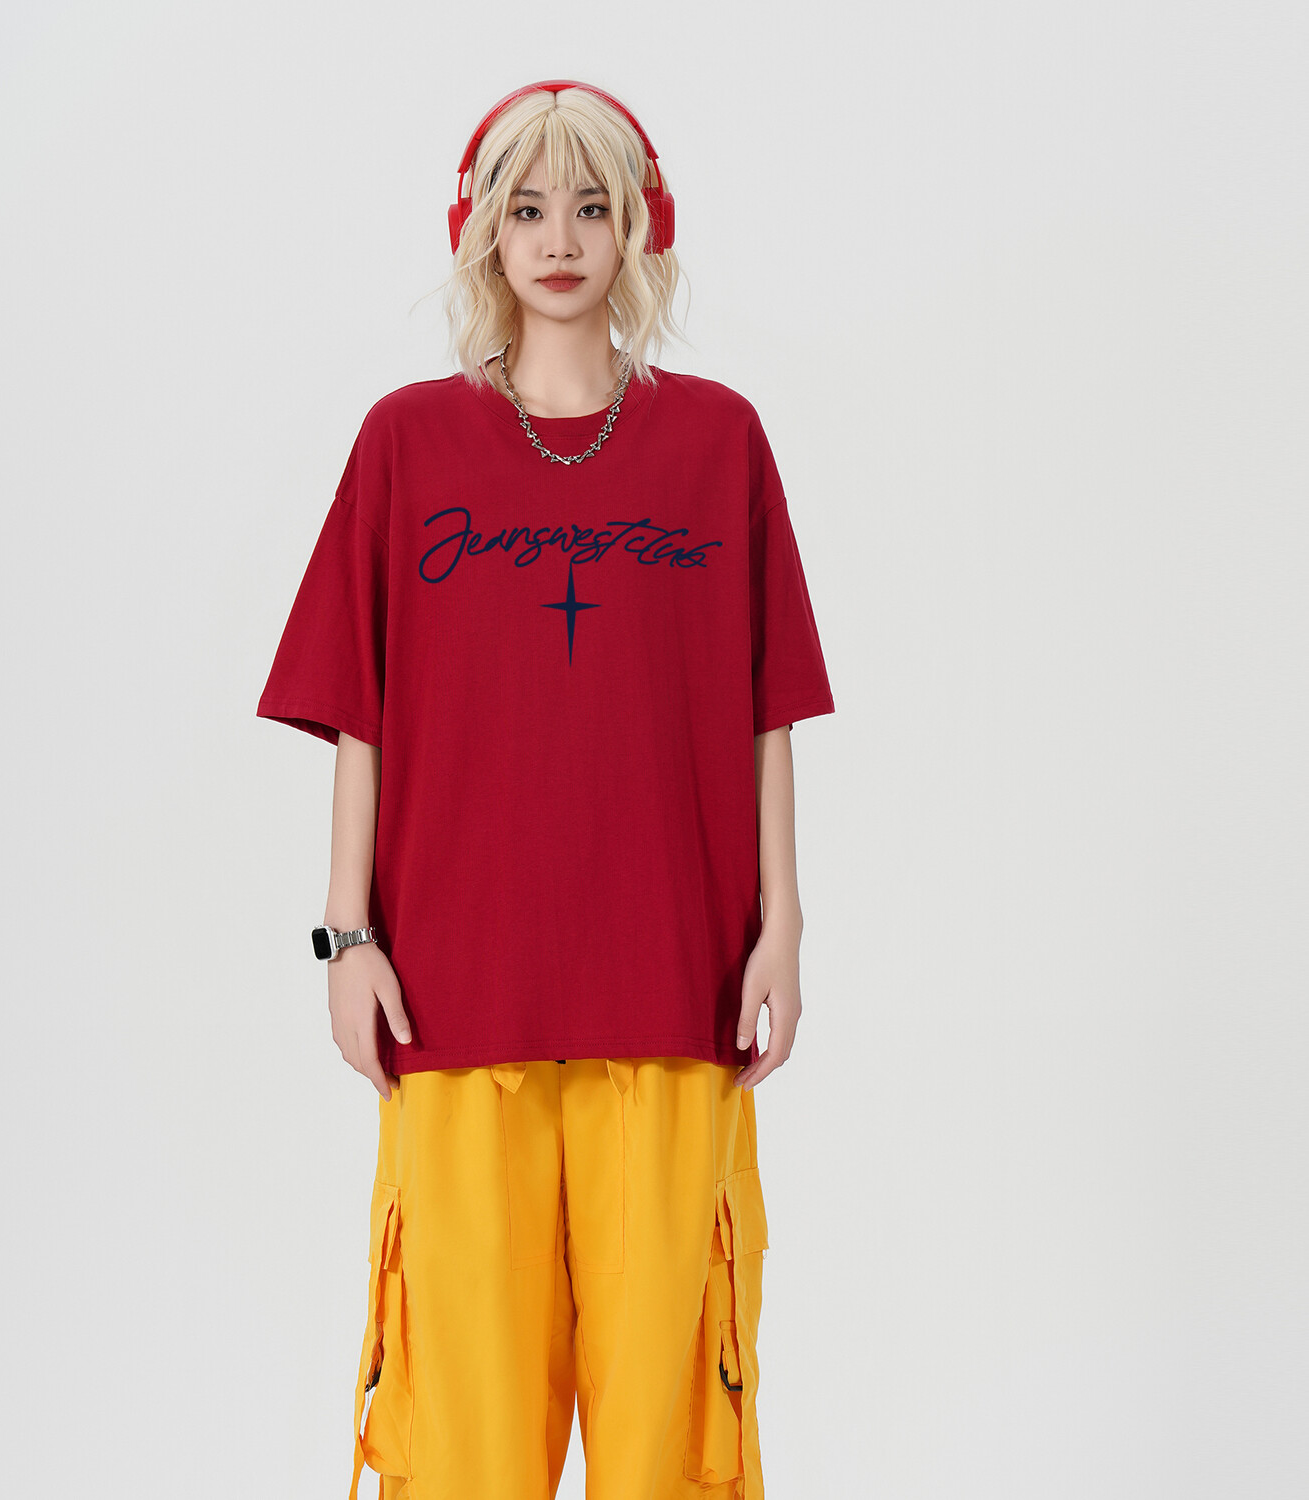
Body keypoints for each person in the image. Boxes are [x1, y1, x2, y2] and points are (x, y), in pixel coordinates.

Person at [256, 79, 835, 1500]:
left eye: (589, 207)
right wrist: (347, 937)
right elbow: (360, 712)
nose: (560, 240)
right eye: (527, 209)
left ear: (639, 225)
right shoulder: (407, 443)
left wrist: (783, 925)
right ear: (482, 231)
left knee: (671, 1445)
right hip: (459, 1008)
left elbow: (766, 707)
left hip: (673, 996)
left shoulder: (718, 442)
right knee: (465, 1441)